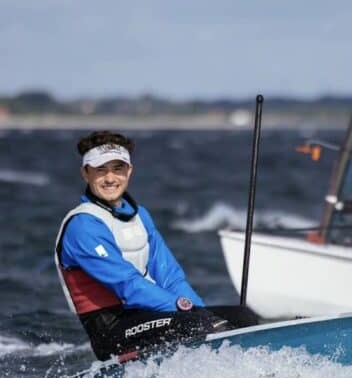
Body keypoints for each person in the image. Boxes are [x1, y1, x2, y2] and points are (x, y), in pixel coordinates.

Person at [55, 131, 254, 362]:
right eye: (101, 170)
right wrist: (187, 310)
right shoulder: (82, 226)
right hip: (111, 332)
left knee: (242, 317)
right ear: (85, 173)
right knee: (194, 323)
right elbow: (128, 285)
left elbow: (170, 277)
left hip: (149, 316)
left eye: (117, 168)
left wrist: (201, 310)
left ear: (129, 171)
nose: (110, 178)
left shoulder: (141, 216)